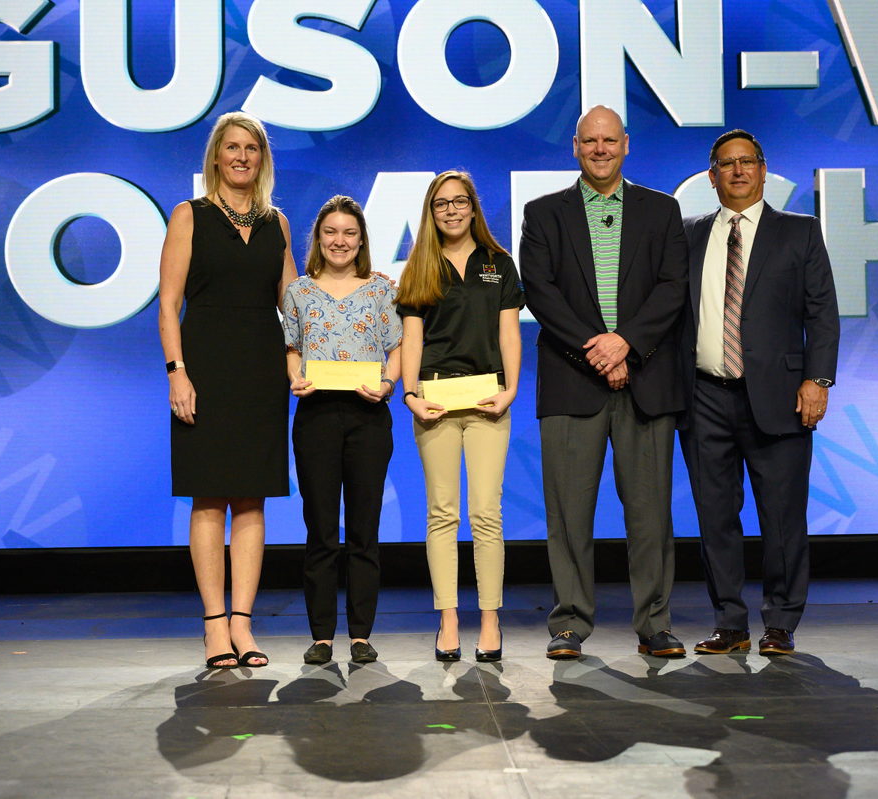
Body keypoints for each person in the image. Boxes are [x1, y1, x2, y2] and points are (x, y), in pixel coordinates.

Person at [519, 105, 690, 660]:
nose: (599, 149)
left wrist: (627, 344)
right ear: (574, 146)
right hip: (573, 381)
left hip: (646, 379)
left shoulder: (662, 210)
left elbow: (672, 288)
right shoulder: (543, 213)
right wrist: (599, 348)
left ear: (626, 145)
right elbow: (542, 293)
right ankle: (569, 623)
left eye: (609, 141)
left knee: (651, 515)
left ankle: (655, 624)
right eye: (589, 141)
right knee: (568, 513)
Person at [679, 129, 840, 657]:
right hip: (704, 397)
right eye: (727, 164)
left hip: (780, 396)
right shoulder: (690, 235)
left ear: (764, 169)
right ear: (712, 176)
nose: (738, 171)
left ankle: (781, 622)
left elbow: (822, 313)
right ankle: (730, 621)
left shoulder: (799, 232)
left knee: (782, 515)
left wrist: (818, 380)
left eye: (747, 162)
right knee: (715, 516)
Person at [157, 111, 296, 669]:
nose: (242, 157)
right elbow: (168, 303)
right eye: (232, 147)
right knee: (209, 495)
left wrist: (357, 297)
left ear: (262, 159)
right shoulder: (189, 216)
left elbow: (295, 305)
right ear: (216, 155)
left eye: (252, 149)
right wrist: (177, 371)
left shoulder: (277, 223)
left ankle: (244, 624)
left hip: (261, 371)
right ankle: (215, 625)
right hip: (205, 369)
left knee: (253, 497)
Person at [397, 170, 524, 663]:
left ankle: (490, 620)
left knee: (486, 514)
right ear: (431, 213)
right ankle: (448, 619)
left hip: (489, 400)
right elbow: (412, 339)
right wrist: (410, 395)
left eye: (459, 201)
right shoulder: (418, 269)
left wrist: (511, 389)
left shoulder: (499, 264)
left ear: (473, 207)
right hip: (434, 401)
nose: (450, 210)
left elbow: (508, 333)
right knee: (442, 514)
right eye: (440, 204)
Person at [282, 195, 402, 666]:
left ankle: (360, 634)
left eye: (349, 232)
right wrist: (295, 374)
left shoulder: (381, 291)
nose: (340, 240)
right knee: (321, 530)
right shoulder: (299, 292)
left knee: (364, 530)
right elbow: (292, 346)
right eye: (331, 231)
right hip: (316, 417)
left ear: (361, 240)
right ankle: (321, 635)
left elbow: (398, 347)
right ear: (318, 238)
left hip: (369, 416)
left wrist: (390, 382)